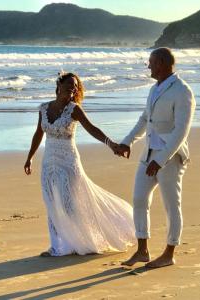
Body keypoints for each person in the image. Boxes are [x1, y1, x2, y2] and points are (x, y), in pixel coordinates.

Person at [24, 72, 135, 256]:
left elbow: (92, 128)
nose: (73, 88)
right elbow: (38, 134)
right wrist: (30, 157)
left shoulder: (74, 109)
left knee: (69, 204)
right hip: (49, 161)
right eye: (69, 84)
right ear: (59, 86)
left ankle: (77, 243)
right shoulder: (43, 108)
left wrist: (111, 144)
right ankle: (57, 246)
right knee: (51, 201)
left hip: (69, 161)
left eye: (75, 86)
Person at [114, 47, 196, 268]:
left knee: (171, 205)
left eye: (150, 62)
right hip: (148, 153)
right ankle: (143, 251)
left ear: (161, 62)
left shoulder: (182, 91)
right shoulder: (154, 88)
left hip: (170, 157)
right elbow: (144, 119)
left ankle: (169, 253)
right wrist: (127, 142)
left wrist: (160, 161)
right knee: (139, 199)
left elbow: (181, 131)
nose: (148, 66)